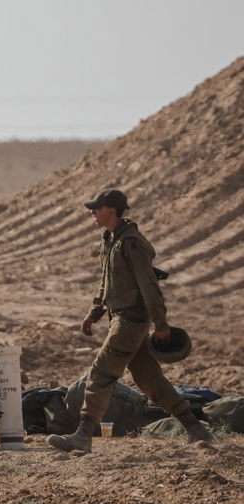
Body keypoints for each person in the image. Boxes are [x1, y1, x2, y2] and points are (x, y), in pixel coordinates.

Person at [48, 188, 213, 452]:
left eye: (97, 208)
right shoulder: (110, 239)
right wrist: (95, 311)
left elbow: (149, 286)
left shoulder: (132, 243)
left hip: (131, 321)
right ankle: (196, 428)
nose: (92, 213)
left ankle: (83, 435)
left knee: (101, 373)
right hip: (119, 318)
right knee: (150, 380)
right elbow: (107, 281)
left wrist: (161, 324)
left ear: (111, 211)